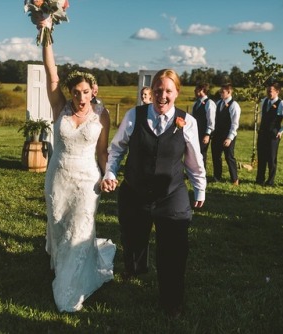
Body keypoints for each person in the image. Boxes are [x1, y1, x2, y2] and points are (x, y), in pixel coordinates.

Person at [101, 69, 206, 317]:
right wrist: (110, 174)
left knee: (174, 248)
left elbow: (194, 160)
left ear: (177, 93)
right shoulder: (134, 116)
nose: (162, 96)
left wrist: (199, 187)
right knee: (133, 238)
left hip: (171, 194)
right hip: (135, 192)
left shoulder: (187, 121)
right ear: (152, 92)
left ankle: (172, 301)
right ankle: (135, 267)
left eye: (168, 91)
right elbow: (116, 150)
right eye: (158, 90)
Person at [38, 18, 115, 312]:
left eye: (86, 92)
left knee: (80, 228)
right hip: (58, 177)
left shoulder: (102, 115)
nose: (80, 97)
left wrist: (108, 173)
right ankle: (60, 266)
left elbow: (103, 151)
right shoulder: (60, 108)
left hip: (87, 181)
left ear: (93, 91)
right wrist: (46, 32)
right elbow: (51, 73)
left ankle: (74, 284)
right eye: (76, 92)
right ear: (69, 93)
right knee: (58, 225)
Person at [255, 82, 283, 186]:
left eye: (270, 91)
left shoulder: (282, 104)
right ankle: (259, 179)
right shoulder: (264, 101)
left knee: (271, 159)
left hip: (273, 135)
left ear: (277, 92)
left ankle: (270, 181)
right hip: (262, 134)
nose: (268, 93)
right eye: (267, 91)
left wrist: (282, 130)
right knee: (261, 157)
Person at [211, 83, 241, 185]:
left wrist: (229, 138)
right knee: (216, 156)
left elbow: (235, 123)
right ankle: (217, 177)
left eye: (222, 92)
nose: (220, 93)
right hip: (217, 135)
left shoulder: (234, 105)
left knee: (229, 157)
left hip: (228, 135)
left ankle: (235, 179)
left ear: (229, 92)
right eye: (220, 91)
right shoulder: (219, 103)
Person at [192, 83, 216, 167]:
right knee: (195, 153)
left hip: (204, 133)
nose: (194, 91)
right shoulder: (196, 103)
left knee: (202, 153)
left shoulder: (209, 103)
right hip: (195, 132)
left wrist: (207, 134)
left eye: (196, 89)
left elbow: (211, 121)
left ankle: (202, 173)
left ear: (202, 90)